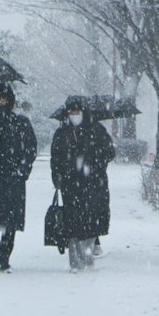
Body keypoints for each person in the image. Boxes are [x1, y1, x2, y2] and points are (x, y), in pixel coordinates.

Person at [0, 81, 38, 272]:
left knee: (11, 221)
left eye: (2, 97)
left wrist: (22, 171)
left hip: (13, 179)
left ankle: (5, 256)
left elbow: (30, 148)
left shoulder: (20, 123)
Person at [50, 95, 115, 272]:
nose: (74, 115)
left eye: (77, 111)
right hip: (70, 184)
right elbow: (55, 158)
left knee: (91, 220)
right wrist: (58, 177)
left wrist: (95, 164)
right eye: (71, 111)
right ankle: (75, 261)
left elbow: (109, 152)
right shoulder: (62, 133)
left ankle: (87, 254)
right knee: (72, 223)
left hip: (94, 183)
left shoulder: (97, 130)